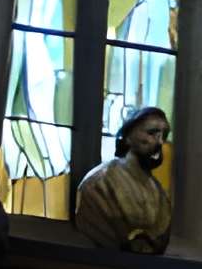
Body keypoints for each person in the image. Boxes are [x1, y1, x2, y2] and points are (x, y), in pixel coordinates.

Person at [74, 105, 173, 253]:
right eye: (152, 133)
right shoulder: (99, 183)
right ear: (127, 137)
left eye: (163, 136)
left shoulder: (160, 194)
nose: (159, 143)